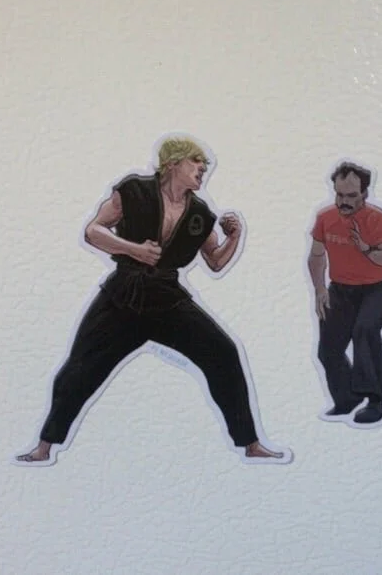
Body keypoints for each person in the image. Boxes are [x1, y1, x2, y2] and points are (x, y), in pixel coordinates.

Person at [15, 137, 290, 465]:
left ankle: (250, 443)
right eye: (195, 162)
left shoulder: (200, 214)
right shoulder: (133, 191)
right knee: (78, 370)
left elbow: (215, 261)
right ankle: (44, 446)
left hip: (167, 300)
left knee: (224, 353)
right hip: (122, 296)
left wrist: (234, 237)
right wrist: (133, 250)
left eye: (204, 165)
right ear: (173, 163)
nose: (203, 169)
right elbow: (93, 231)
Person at [307, 161, 382, 426]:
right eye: (339, 195)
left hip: (378, 288)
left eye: (351, 196)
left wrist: (367, 250)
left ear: (364, 194)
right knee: (328, 349)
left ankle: (376, 402)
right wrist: (319, 289)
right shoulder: (325, 218)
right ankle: (347, 398)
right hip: (340, 289)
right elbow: (316, 256)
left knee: (365, 332)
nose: (344, 202)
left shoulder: (380, 220)